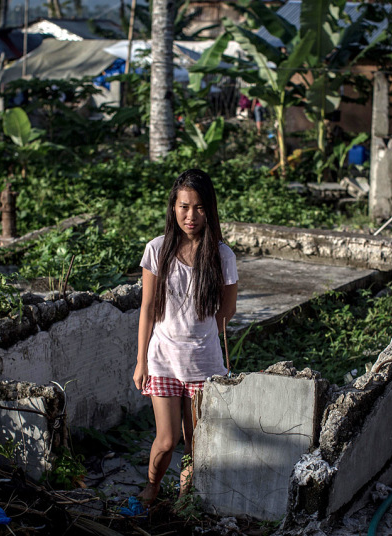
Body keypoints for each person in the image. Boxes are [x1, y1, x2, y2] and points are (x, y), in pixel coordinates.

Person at [133, 168, 238, 504]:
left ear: (210, 210)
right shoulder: (157, 250)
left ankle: (184, 499)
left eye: (199, 208)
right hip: (162, 360)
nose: (191, 216)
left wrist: (198, 333)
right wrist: (140, 362)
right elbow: (148, 308)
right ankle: (152, 487)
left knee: (195, 442)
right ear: (173, 208)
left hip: (203, 364)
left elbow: (226, 311)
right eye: (184, 207)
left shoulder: (222, 256)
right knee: (167, 441)